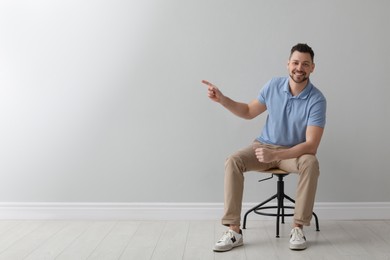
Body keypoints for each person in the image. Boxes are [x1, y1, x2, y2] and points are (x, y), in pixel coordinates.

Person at [202, 43, 326, 252]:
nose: (299, 68)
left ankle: (298, 228)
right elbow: (249, 111)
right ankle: (234, 230)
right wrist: (222, 100)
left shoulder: (317, 99)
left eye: (305, 64)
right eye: (295, 62)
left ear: (312, 67)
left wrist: (276, 154)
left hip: (293, 153)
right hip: (263, 147)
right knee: (233, 160)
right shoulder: (273, 86)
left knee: (311, 163)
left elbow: (311, 145)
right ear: (288, 64)